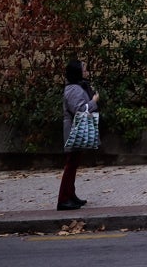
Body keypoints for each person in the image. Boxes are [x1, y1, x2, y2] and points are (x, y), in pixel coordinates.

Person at [57, 59, 99, 211]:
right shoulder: (73, 89)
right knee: (70, 165)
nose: (87, 71)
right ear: (77, 72)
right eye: (84, 69)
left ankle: (71, 195)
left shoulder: (77, 87)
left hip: (77, 130)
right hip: (74, 132)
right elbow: (80, 110)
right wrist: (93, 101)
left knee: (73, 164)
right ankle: (63, 199)